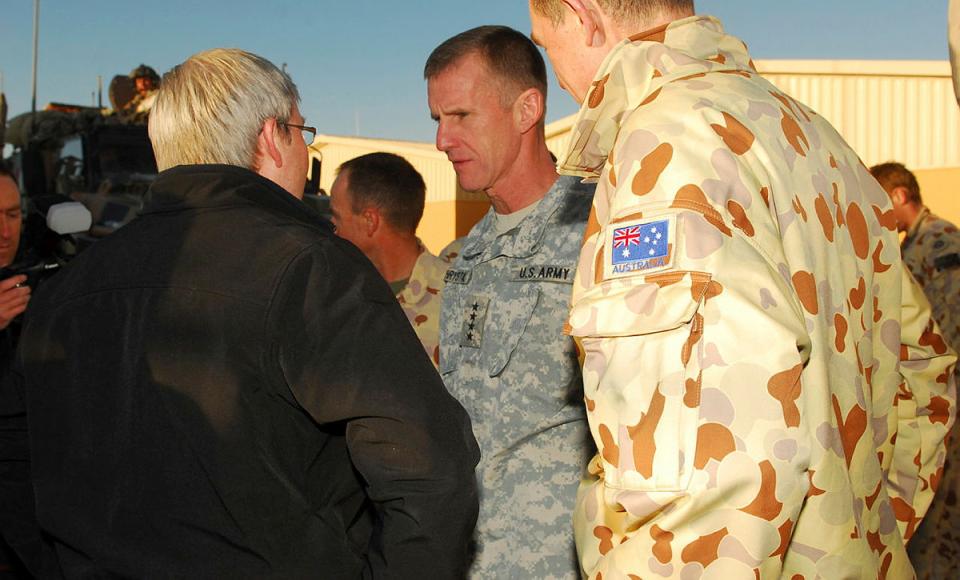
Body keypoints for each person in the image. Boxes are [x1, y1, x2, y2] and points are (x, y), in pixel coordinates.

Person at [0, 48, 479, 578]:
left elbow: (14, 457)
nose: (305, 151)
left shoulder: (64, 290)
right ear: (272, 137)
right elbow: (429, 470)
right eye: (303, 133)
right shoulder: (312, 270)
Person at [528, 1, 956, 577]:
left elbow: (715, 472)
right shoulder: (813, 134)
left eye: (544, 43)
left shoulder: (667, 139)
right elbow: (926, 371)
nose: (553, 70)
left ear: (584, 16)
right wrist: (859, 538)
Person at [426, 25, 596, 578]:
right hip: (468, 558)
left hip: (561, 562)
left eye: (461, 117)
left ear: (527, 110)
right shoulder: (464, 258)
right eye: (437, 120)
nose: (442, 141)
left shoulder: (602, 233)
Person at [870, 161, 960, 578]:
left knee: (943, 524)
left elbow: (950, 328)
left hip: (946, 396)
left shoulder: (941, 243)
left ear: (899, 197)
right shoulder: (910, 246)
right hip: (934, 397)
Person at [329, 152, 450, 366]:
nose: (333, 230)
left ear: (370, 221)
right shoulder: (339, 294)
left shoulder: (456, 298)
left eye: (337, 217)